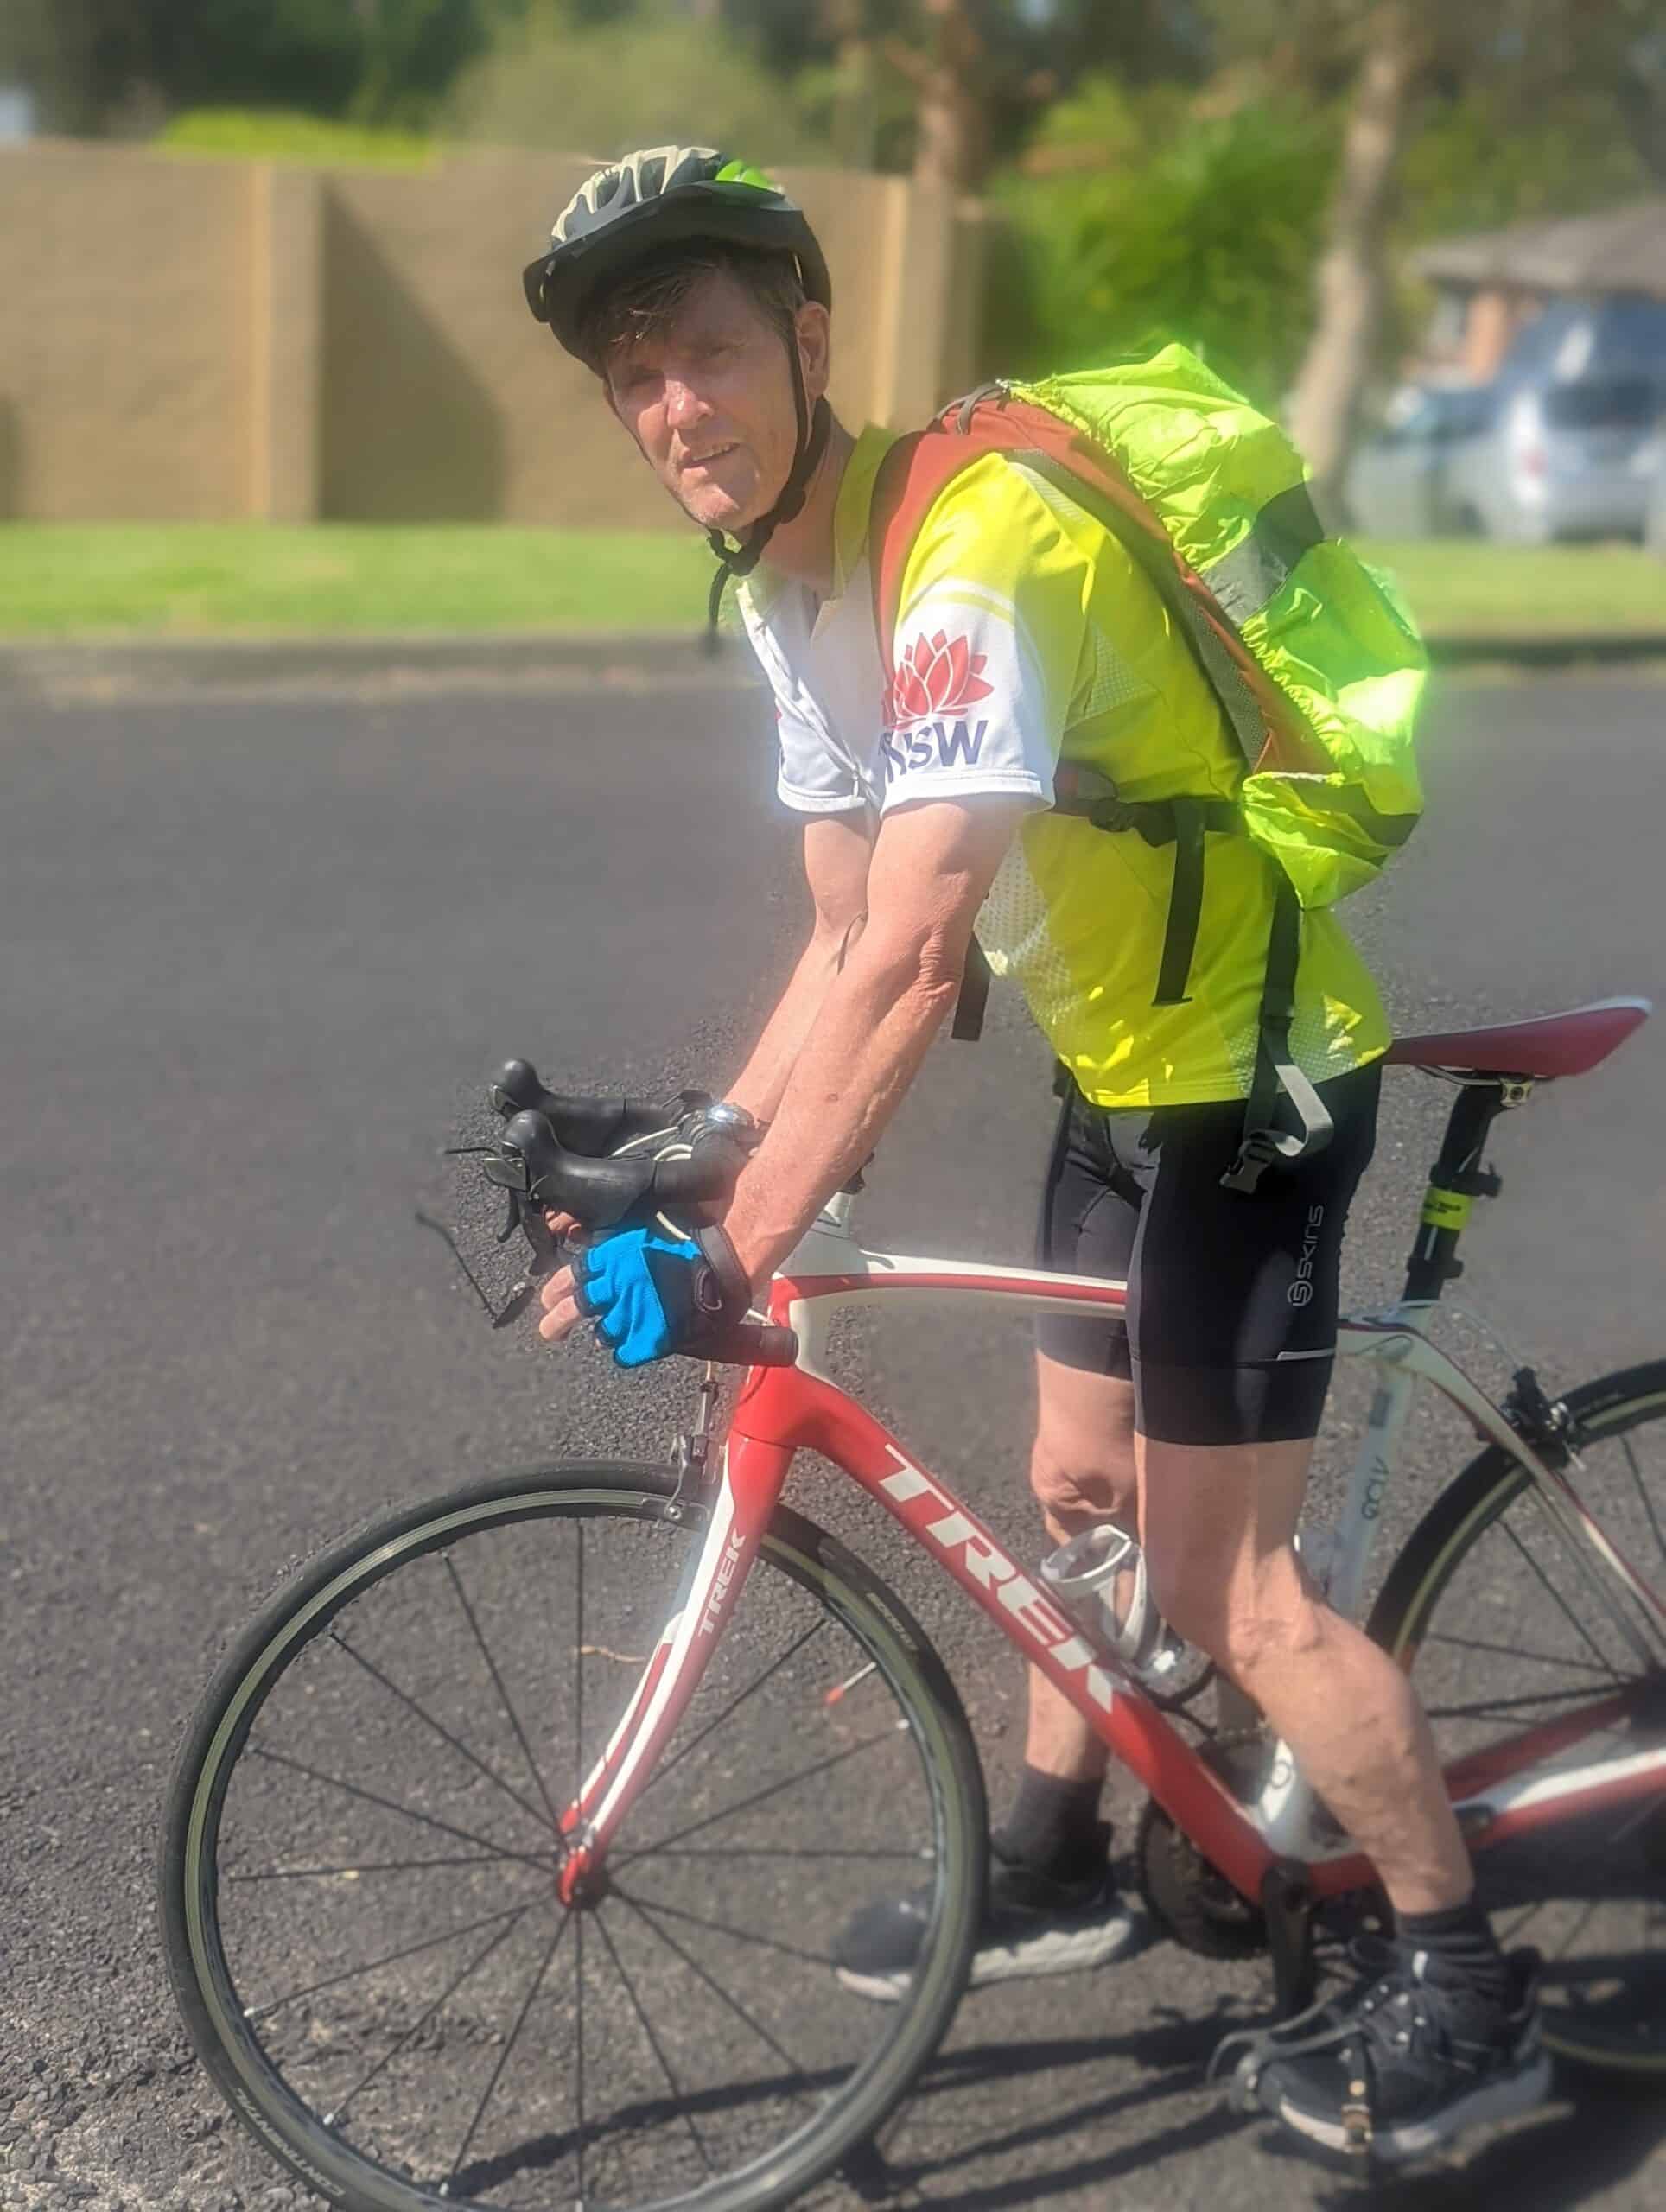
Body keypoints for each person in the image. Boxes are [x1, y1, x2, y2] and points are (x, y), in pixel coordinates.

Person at [524, 145, 1548, 2164]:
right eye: (633, 380)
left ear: (810, 338)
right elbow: (835, 932)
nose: (676, 411)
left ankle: (1464, 1982)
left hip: (1246, 1081)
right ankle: (1067, 1849)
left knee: (1231, 1586)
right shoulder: (793, 590)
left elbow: (916, 950)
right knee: (1072, 1478)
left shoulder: (975, 547)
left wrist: (738, 1241)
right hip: (1116, 1061)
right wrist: (696, 1149)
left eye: (709, 351)